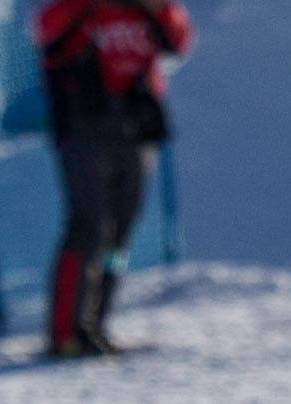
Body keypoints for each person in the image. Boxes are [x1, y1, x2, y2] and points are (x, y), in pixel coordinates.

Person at [31, 0, 188, 360]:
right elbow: (45, 30)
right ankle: (65, 333)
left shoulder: (146, 9)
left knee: (120, 232)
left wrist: (160, 9)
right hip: (84, 127)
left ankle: (95, 325)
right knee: (88, 226)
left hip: (134, 128)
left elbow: (179, 41)